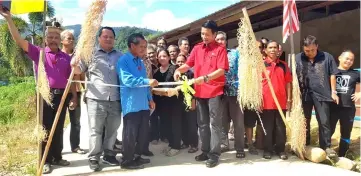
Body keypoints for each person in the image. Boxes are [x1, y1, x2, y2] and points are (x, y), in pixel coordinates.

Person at [0, 7, 77, 174]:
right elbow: (19, 41)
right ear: (45, 38)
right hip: (44, 95)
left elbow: (71, 79)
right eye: (50, 36)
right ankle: (45, 160)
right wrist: (9, 19)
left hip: (62, 97)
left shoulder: (66, 57)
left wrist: (74, 97)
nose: (54, 39)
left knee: (58, 128)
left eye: (57, 37)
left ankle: (57, 156)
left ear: (61, 40)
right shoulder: (39, 53)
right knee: (45, 128)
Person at [174, 20, 229, 168]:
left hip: (214, 91)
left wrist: (205, 78)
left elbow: (222, 70)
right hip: (200, 92)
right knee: (203, 124)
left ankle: (214, 154)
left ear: (214, 34)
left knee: (215, 124)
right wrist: (178, 70)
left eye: (207, 34)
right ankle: (205, 150)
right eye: (202, 33)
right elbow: (188, 64)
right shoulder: (197, 48)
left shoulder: (220, 49)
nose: (204, 36)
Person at [71, 27, 122, 171]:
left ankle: (109, 155)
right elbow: (78, 70)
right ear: (99, 38)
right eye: (105, 36)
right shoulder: (90, 54)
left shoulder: (120, 55)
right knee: (95, 130)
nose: (108, 39)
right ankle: (94, 158)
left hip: (115, 99)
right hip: (96, 98)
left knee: (113, 130)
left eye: (111, 37)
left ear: (114, 39)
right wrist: (74, 62)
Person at [117, 33, 158, 169]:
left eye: (145, 47)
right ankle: (127, 161)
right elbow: (127, 80)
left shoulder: (140, 61)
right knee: (130, 134)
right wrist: (147, 81)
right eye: (141, 47)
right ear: (132, 46)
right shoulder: (123, 61)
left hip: (143, 104)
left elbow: (146, 84)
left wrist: (150, 98)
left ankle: (137, 156)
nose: (144, 50)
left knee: (142, 133)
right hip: (131, 104)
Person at [296, 35, 339, 158]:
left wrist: (334, 92)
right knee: (304, 120)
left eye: (312, 50)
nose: (310, 53)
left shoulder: (327, 57)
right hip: (304, 94)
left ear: (317, 47)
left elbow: (332, 74)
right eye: (307, 51)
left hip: (322, 93)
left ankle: (326, 146)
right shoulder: (298, 58)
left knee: (324, 121)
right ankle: (304, 143)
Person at [215, 31, 245, 158]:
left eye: (222, 39)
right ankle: (224, 144)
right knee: (222, 121)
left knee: (238, 122)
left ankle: (239, 148)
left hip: (234, 92)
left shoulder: (235, 54)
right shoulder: (213, 55)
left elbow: (241, 71)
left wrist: (237, 84)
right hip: (219, 93)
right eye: (218, 39)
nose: (220, 41)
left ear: (226, 41)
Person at [261, 40, 291, 160]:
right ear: (265, 50)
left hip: (281, 102)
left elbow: (288, 82)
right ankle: (267, 150)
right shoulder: (261, 65)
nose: (273, 50)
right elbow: (257, 84)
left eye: (275, 48)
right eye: (270, 47)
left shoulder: (283, 65)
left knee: (280, 128)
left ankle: (280, 150)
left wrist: (289, 99)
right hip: (266, 102)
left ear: (279, 50)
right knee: (267, 128)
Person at [153, 49, 184, 156]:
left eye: (164, 56)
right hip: (161, 103)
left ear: (169, 57)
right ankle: (171, 144)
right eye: (160, 56)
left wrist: (174, 90)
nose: (162, 58)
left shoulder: (174, 69)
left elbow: (181, 84)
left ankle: (176, 146)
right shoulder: (156, 72)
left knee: (175, 123)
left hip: (174, 101)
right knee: (166, 124)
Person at [60, 29, 87, 155]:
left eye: (72, 38)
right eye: (68, 38)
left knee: (76, 122)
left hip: (75, 91)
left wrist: (84, 89)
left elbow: (82, 75)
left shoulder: (77, 57)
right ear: (62, 41)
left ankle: (75, 146)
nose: (71, 40)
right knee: (59, 122)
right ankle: (57, 150)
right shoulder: (59, 55)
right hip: (60, 92)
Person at [330, 50, 360, 157]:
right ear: (339, 58)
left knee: (346, 132)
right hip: (332, 107)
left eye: (351, 60)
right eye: (347, 58)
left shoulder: (355, 73)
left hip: (348, 109)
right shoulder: (332, 72)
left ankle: (343, 154)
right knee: (328, 130)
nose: (349, 61)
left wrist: (360, 93)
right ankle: (326, 151)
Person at [176, 54, 199, 153]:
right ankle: (185, 142)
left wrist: (193, 101)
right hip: (179, 102)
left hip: (190, 101)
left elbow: (194, 88)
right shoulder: (176, 73)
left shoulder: (190, 74)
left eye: (182, 61)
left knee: (191, 124)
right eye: (179, 62)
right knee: (183, 123)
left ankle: (194, 144)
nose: (180, 63)